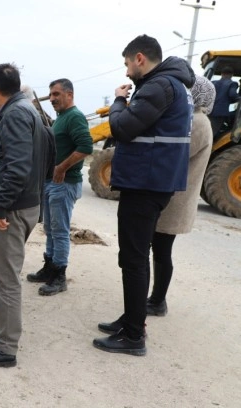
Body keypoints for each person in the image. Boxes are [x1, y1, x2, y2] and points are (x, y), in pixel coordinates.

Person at [93, 35, 193, 356]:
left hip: (145, 184)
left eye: (126, 64)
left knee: (134, 259)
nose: (125, 73)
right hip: (153, 182)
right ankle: (131, 317)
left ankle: (134, 336)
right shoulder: (172, 85)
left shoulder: (158, 86)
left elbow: (122, 129)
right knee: (133, 256)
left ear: (139, 58)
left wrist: (119, 101)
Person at [0, 63, 55, 368]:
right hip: (23, 204)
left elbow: (17, 168)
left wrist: (1, 206)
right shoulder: (26, 110)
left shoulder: (16, 114)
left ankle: (6, 347)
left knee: (5, 279)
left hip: (12, 209)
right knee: (1, 273)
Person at [147, 75, 215, 316]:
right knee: (159, 249)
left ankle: (158, 301)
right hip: (175, 196)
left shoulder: (197, 121)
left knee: (162, 251)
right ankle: (155, 299)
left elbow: (177, 154)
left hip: (176, 199)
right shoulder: (197, 119)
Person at [26, 78, 93, 296]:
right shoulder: (61, 118)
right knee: (50, 230)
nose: (52, 98)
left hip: (64, 183)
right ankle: (49, 268)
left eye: (56, 94)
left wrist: (62, 168)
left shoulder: (74, 117)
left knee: (60, 231)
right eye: (51, 94)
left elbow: (85, 146)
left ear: (69, 95)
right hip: (51, 183)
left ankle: (59, 276)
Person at [208, 66, 240, 139]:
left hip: (209, 111)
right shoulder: (232, 83)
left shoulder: (213, 83)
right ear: (232, 75)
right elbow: (232, 94)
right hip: (220, 113)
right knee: (212, 133)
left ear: (222, 74)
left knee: (208, 130)